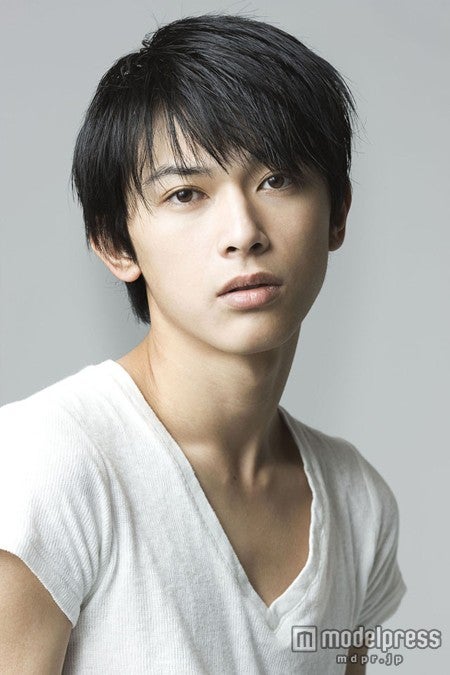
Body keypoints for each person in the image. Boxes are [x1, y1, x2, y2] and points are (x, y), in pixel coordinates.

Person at [0, 13, 406, 674]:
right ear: (115, 244)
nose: (243, 232)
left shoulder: (356, 501)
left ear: (338, 212)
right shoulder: (44, 465)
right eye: (187, 193)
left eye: (277, 179)